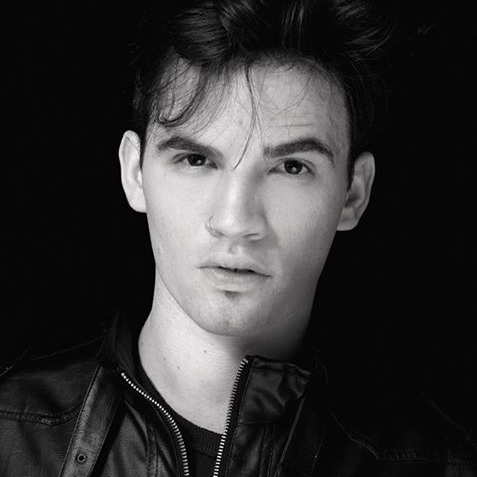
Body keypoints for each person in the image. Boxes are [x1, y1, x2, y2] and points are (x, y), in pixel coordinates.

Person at [1, 0, 475, 476]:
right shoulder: (10, 432)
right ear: (134, 173)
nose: (234, 220)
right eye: (196, 160)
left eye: (291, 167)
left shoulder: (439, 466)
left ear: (353, 194)